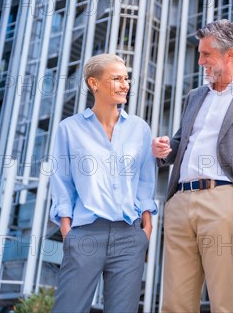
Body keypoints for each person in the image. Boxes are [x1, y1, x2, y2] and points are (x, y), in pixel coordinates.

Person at [151, 19, 233, 313]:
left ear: (230, 54)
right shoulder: (195, 96)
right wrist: (165, 149)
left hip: (224, 201)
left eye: (206, 54)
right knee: (174, 303)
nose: (200, 61)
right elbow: (182, 142)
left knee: (224, 301)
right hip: (180, 202)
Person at [49, 53, 157, 312]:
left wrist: (146, 225)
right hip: (85, 234)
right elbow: (62, 182)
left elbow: (145, 178)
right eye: (116, 79)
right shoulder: (69, 129)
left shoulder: (139, 129)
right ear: (94, 83)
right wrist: (67, 230)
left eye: (126, 79)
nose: (125, 85)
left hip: (129, 236)